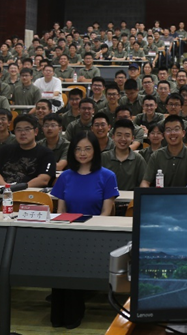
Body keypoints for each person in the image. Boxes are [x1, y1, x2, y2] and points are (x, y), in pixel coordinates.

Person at [50, 132, 119, 329]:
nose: (82, 153)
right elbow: (61, 210)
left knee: (74, 262)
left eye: (87, 149)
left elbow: (106, 213)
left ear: (95, 151)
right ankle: (58, 314)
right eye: (78, 149)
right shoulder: (65, 176)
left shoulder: (107, 176)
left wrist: (89, 231)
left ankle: (74, 313)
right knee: (60, 261)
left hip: (93, 234)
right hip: (68, 232)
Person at [0, 115, 56, 187]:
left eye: (27, 129)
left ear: (36, 131)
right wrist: (6, 188)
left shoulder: (46, 154)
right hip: (3, 191)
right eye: (19, 130)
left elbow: (44, 179)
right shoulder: (5, 150)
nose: (22, 133)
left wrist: (17, 188)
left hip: (29, 192)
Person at [140, 115, 187, 187]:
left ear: (183, 133)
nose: (172, 133)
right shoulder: (156, 155)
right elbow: (145, 182)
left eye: (176, 129)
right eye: (168, 130)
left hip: (186, 194)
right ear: (164, 134)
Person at [101, 118, 146, 191]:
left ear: (132, 138)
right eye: (119, 135)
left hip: (131, 197)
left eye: (127, 135)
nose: (123, 139)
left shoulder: (138, 159)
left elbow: (144, 182)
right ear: (113, 137)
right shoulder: (103, 157)